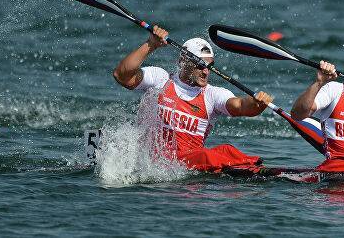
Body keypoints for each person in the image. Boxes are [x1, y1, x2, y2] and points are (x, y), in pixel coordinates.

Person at [113, 26, 273, 173]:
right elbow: (122, 76)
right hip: (155, 160)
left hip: (189, 163)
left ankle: (257, 169)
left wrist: (257, 103)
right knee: (205, 155)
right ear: (183, 62)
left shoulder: (212, 95)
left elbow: (240, 106)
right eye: (200, 65)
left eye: (209, 66)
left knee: (227, 149)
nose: (205, 71)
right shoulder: (160, 79)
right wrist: (151, 44)